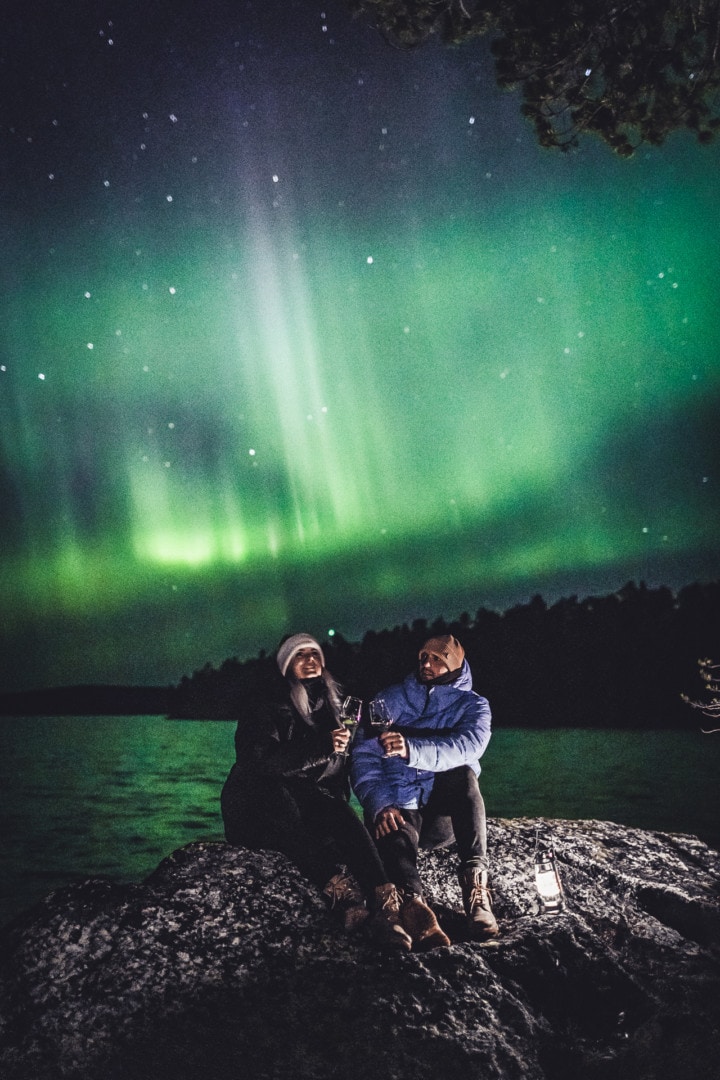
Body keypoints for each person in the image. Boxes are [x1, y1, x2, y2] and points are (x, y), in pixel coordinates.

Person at [221, 632, 413, 951]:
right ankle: (343, 896)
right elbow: (259, 763)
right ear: (285, 666)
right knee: (283, 797)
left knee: (339, 813)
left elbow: (332, 779)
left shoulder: (335, 704)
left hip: (304, 801)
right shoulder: (266, 704)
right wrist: (322, 746)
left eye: (315, 654)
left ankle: (386, 902)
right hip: (256, 807)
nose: (310, 659)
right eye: (300, 655)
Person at [350, 634, 498, 950]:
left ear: (454, 666)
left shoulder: (474, 705)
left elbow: (467, 746)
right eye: (423, 657)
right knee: (390, 827)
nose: (426, 664)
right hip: (401, 804)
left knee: (465, 777)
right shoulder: (388, 699)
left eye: (436, 659)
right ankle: (413, 905)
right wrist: (379, 802)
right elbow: (363, 754)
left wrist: (411, 749)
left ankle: (476, 891)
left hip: (440, 816)